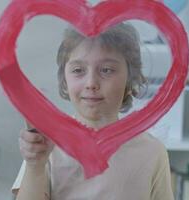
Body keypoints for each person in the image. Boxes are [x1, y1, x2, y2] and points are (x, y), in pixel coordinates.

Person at [12, 23, 174, 200]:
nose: (91, 83)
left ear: (129, 81)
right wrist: (35, 165)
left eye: (106, 70)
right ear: (65, 81)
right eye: (78, 70)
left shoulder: (152, 152)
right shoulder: (47, 147)